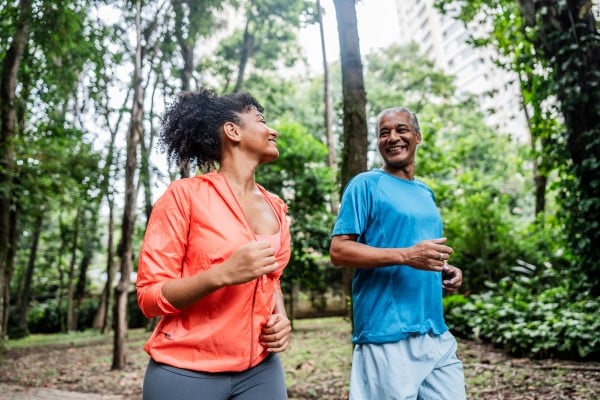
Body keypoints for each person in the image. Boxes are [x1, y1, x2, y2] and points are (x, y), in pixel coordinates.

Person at [136, 88, 292, 400]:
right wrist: (222, 274)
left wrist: (282, 317)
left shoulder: (276, 206)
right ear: (232, 131)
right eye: (261, 120)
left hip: (261, 370)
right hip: (185, 372)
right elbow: (149, 297)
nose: (271, 129)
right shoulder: (184, 196)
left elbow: (271, 278)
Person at [329, 107, 466, 400]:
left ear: (417, 136)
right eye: (384, 132)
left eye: (401, 129)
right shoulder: (365, 185)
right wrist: (406, 256)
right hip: (386, 332)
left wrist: (445, 268)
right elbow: (339, 251)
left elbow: (417, 250)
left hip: (434, 331)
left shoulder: (425, 193)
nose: (393, 138)